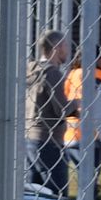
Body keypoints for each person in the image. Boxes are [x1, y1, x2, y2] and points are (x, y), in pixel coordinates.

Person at [26, 30, 75, 189]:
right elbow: (62, 110)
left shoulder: (32, 70)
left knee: (35, 191)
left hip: (31, 139)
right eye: (65, 46)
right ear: (56, 48)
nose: (67, 50)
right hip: (49, 141)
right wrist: (77, 102)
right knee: (57, 193)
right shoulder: (52, 73)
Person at [62, 46, 101, 195]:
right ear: (99, 59)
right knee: (89, 189)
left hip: (70, 135)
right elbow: (99, 116)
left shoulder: (73, 75)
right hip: (92, 138)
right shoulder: (98, 78)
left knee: (81, 185)